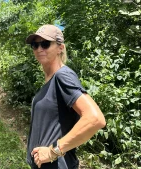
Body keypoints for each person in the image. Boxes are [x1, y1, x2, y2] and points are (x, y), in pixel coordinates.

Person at [25, 24, 106, 169]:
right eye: (35, 45)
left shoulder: (63, 76)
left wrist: (53, 151)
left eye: (45, 44)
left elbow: (95, 118)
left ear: (60, 48)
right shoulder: (52, 79)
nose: (39, 49)